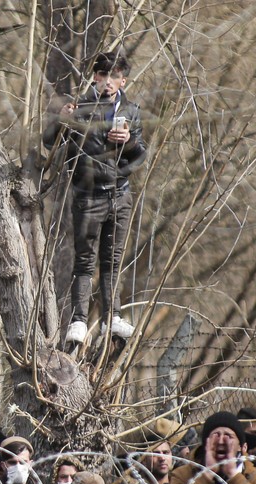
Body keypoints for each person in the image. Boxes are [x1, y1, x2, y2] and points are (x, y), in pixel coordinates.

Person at [44, 51, 147, 348]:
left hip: (120, 196)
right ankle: (78, 319)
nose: (109, 82)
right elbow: (49, 141)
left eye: (115, 76)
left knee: (112, 262)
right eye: (103, 75)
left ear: (122, 80)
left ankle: (111, 316)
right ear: (95, 77)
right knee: (85, 262)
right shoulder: (80, 108)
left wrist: (128, 142)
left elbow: (140, 155)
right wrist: (61, 120)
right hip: (88, 197)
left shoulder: (131, 110)